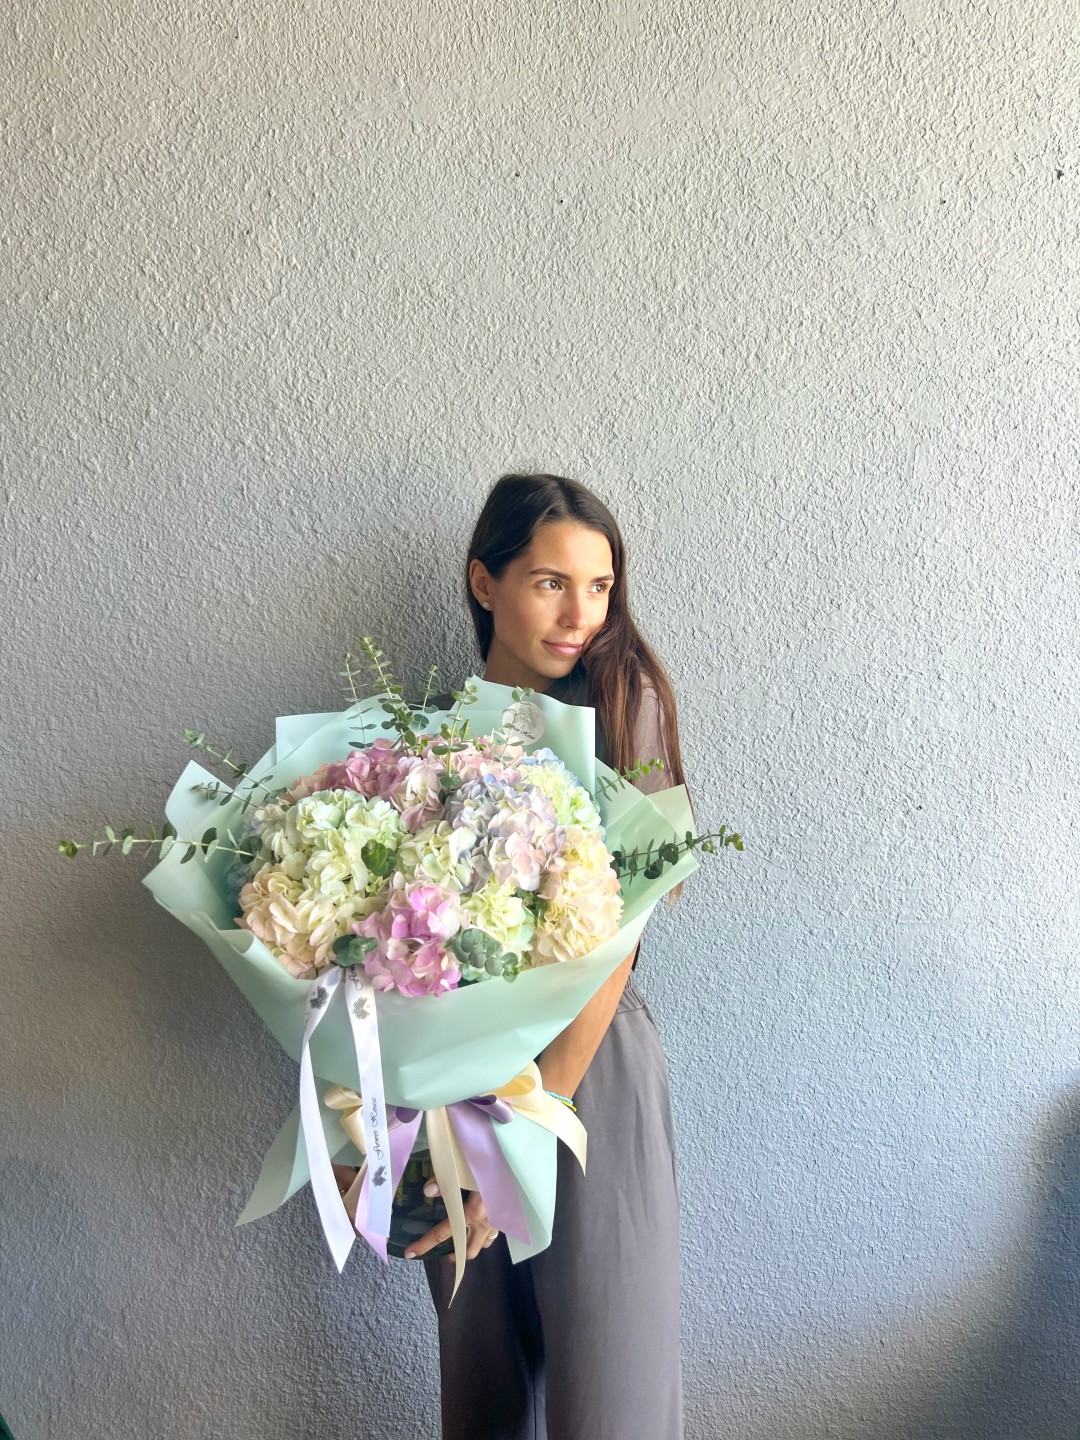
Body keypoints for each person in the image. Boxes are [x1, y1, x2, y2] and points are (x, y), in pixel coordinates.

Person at [338, 472, 694, 1439]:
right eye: (550, 583)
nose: (582, 615)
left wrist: (521, 1129)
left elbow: (615, 943)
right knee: (482, 1384)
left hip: (586, 1071)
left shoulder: (625, 708)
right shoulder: (426, 735)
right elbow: (387, 953)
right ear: (484, 582)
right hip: (456, 1070)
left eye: (600, 586)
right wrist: (378, 1130)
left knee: (610, 1389)